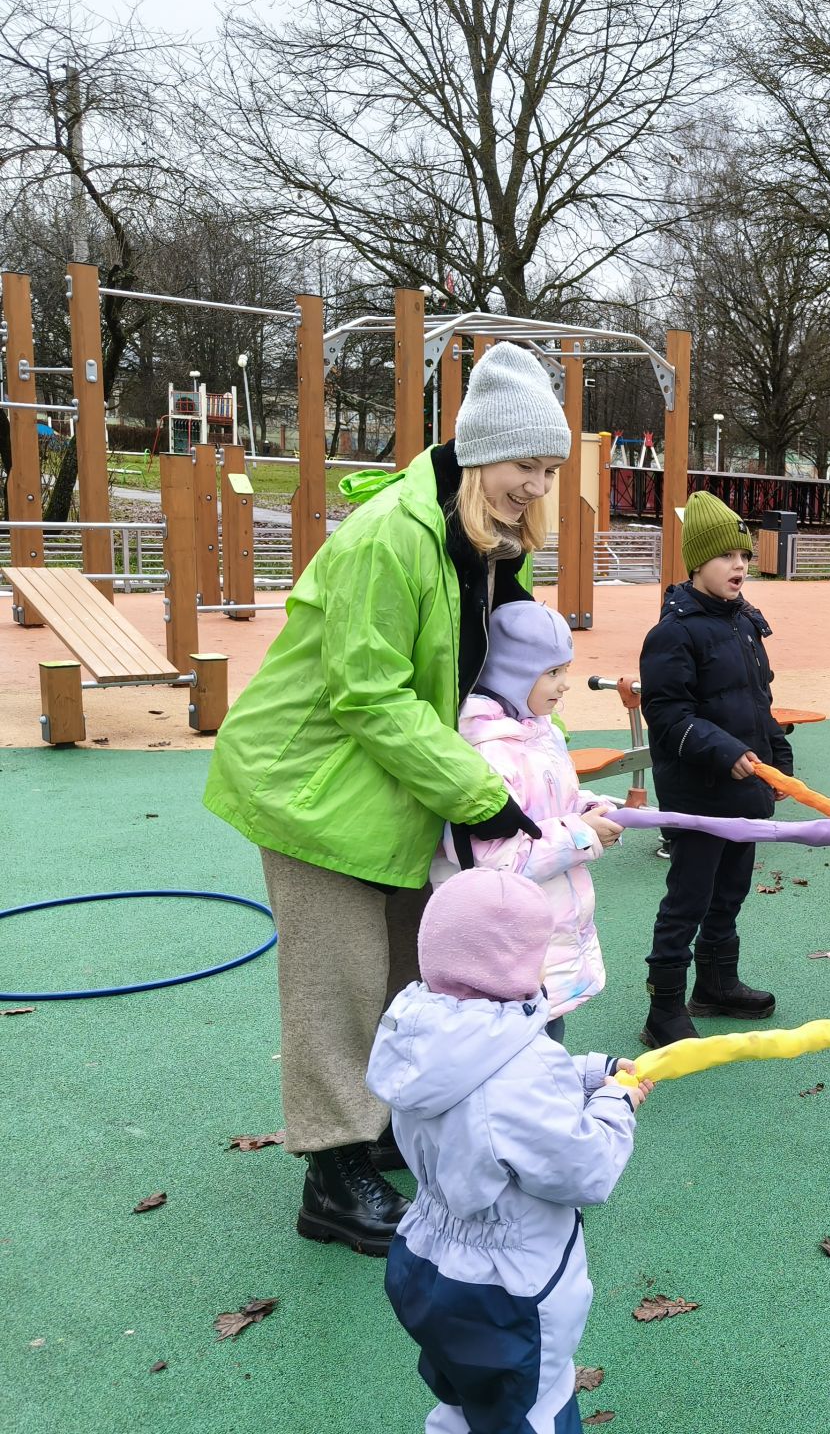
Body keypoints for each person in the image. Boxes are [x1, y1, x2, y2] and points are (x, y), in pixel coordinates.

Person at [203, 340, 572, 1255]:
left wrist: (525, 749)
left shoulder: (487, 540)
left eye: (550, 468)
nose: (538, 484)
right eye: (529, 464)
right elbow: (368, 692)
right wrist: (477, 791)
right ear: (484, 452)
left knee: (416, 960)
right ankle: (331, 1170)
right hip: (313, 786)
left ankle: (376, 1127)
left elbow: (486, 670)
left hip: (396, 784)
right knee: (339, 978)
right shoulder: (389, 538)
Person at [368, 868, 648, 1434]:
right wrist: (616, 1106)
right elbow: (585, 1170)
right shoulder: (521, 1066)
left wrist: (590, 1072)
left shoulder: (420, 1035)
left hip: (423, 1261)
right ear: (515, 964)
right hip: (504, 1288)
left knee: (465, 1399)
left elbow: (493, 1094)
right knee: (532, 1410)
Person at [638, 490, 795, 1048]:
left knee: (730, 893)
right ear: (697, 562)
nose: (740, 567)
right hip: (699, 795)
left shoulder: (744, 626)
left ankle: (717, 982)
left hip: (743, 793)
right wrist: (723, 752)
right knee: (688, 900)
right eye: (727, 556)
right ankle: (664, 1007)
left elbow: (759, 700)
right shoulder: (673, 634)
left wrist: (777, 757)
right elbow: (667, 713)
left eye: (745, 557)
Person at [430, 601, 625, 1045]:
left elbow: (554, 802)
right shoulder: (487, 752)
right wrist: (581, 834)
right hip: (504, 949)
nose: (565, 684)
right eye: (552, 672)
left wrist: (589, 808)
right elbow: (496, 868)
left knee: (547, 1040)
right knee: (520, 1057)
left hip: (543, 938)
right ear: (514, 674)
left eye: (566, 669)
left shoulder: (541, 732)